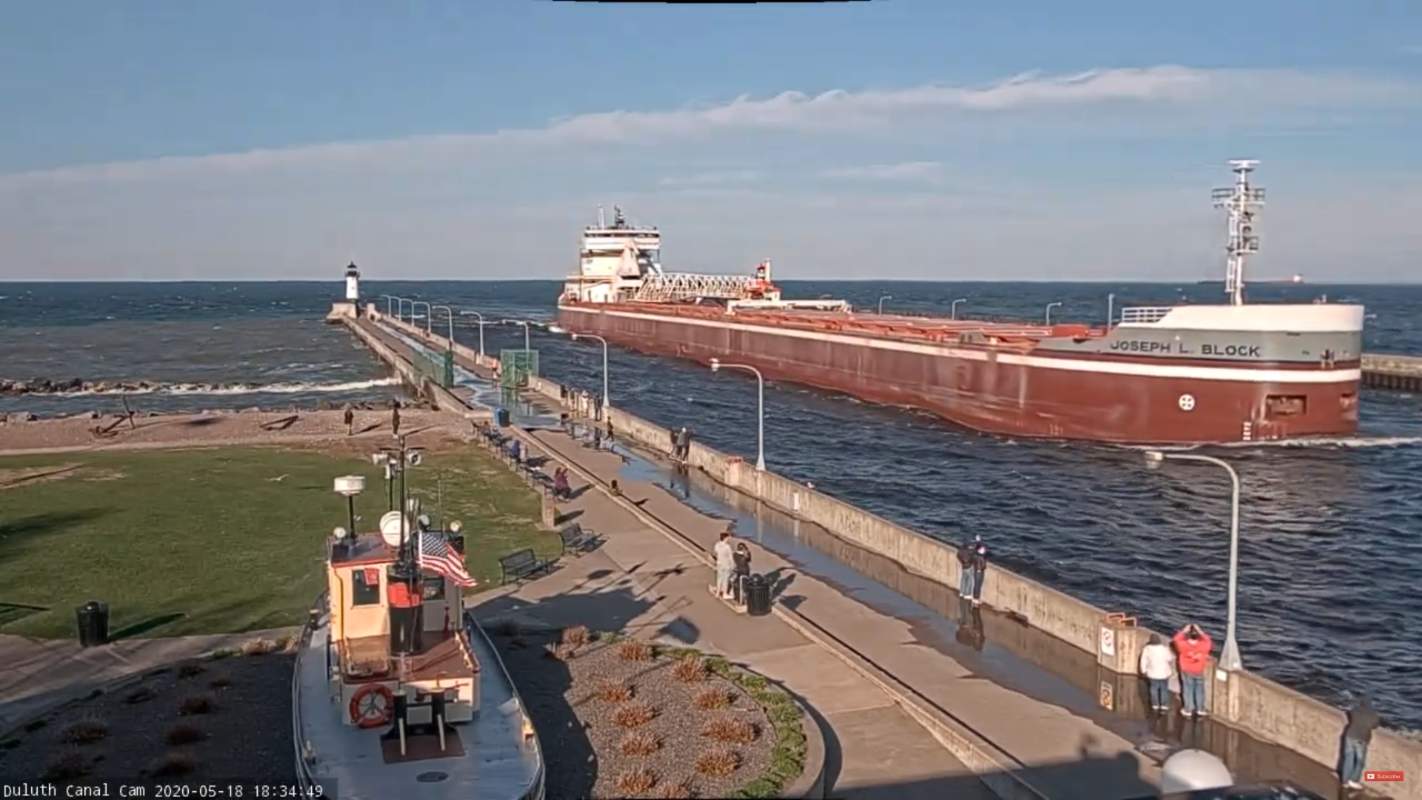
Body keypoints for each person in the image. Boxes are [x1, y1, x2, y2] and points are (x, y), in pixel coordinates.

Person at [1172, 623, 1213, 718]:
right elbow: (1208, 640)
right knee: (1200, 690)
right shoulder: (1204, 645)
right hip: (1199, 669)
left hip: (1186, 669)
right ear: (1197, 636)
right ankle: (1200, 709)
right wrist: (1200, 630)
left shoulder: (1183, 645)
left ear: (1188, 635)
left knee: (1187, 689)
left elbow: (1176, 639)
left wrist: (1184, 630)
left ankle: (1188, 709)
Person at [1340, 695, 1380, 789]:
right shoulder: (1373, 715)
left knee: (1348, 759)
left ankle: (1344, 781)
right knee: (1359, 761)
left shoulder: (1355, 710)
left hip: (1349, 736)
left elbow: (1349, 714)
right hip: (1361, 739)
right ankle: (1353, 780)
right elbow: (1375, 726)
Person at [1139, 633, 1176, 713]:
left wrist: (1143, 671)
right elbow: (1170, 658)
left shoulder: (1147, 649)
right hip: (1164, 673)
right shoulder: (1164, 649)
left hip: (1152, 673)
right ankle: (1164, 705)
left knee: (1153, 689)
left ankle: (1155, 704)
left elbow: (1143, 661)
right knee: (1164, 689)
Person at [713, 531, 735, 599]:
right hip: (726, 565)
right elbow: (730, 557)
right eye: (727, 538)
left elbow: (715, 553)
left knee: (719, 578)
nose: (728, 539)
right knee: (725, 579)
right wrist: (733, 565)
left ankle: (717, 592)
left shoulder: (717, 545)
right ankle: (724, 593)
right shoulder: (727, 547)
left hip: (719, 564)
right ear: (725, 538)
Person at [971, 541, 988, 606]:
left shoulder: (975, 556)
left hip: (977, 571)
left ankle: (975, 598)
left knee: (976, 585)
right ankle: (976, 599)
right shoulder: (981, 558)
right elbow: (983, 566)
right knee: (978, 585)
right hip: (979, 571)